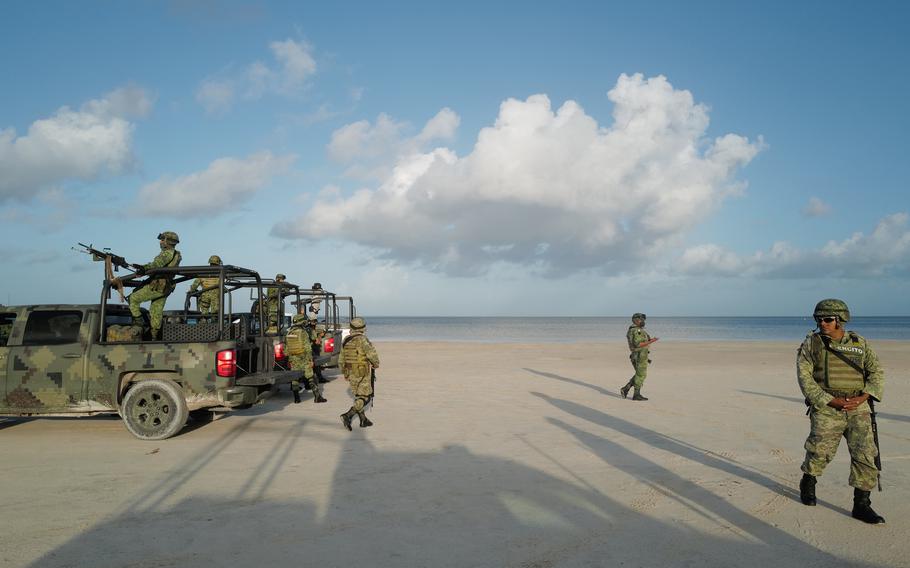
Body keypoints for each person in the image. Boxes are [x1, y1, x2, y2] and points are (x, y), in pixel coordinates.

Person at [797, 299, 885, 524]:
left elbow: (876, 372)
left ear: (841, 320)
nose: (823, 323)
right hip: (827, 407)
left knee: (865, 455)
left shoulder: (859, 343)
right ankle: (809, 481)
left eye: (828, 319)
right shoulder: (812, 344)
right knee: (819, 451)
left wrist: (864, 396)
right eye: (819, 319)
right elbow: (805, 378)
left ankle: (862, 504)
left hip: (859, 407)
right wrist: (828, 400)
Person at [127, 231, 182, 340]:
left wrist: (143, 268)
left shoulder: (167, 253)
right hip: (166, 286)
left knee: (133, 299)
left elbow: (156, 265)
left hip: (158, 285)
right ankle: (154, 337)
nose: (160, 242)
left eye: (162, 239)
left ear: (167, 241)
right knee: (156, 311)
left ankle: (139, 322)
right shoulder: (176, 254)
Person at [339, 316, 380, 430]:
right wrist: (376, 363)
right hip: (362, 372)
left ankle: (363, 420)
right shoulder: (363, 339)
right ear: (362, 328)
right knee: (366, 397)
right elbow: (371, 354)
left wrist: (344, 373)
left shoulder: (346, 340)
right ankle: (348, 415)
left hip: (350, 371)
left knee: (358, 395)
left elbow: (341, 359)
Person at [285, 313, 326, 404]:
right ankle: (317, 396)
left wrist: (289, 360)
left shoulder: (289, 332)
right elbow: (308, 348)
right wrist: (310, 360)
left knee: (295, 378)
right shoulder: (303, 332)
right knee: (310, 376)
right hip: (303, 358)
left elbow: (286, 349)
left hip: (293, 358)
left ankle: (296, 398)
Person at [620, 313, 658, 401]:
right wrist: (652, 341)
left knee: (639, 374)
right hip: (639, 355)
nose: (643, 321)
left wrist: (649, 340)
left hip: (640, 355)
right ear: (636, 320)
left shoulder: (637, 330)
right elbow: (638, 344)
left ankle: (626, 388)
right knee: (641, 375)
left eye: (643, 320)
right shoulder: (636, 330)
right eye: (641, 320)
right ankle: (636, 394)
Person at [189, 255, 222, 319]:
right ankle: (214, 323)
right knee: (215, 314)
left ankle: (204, 323)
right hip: (215, 295)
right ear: (218, 263)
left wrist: (191, 291)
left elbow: (195, 284)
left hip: (204, 294)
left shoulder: (203, 272)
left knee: (204, 312)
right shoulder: (220, 273)